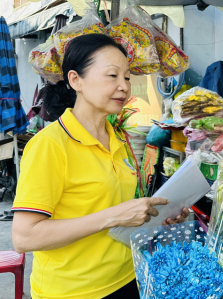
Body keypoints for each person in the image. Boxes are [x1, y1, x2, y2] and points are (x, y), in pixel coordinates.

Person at [11, 34, 189, 299]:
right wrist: (114, 216)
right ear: (75, 80)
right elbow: (24, 237)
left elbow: (119, 210)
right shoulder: (49, 145)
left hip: (129, 277)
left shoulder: (119, 137)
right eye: (112, 76)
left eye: (127, 77)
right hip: (73, 291)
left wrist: (157, 216)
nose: (124, 87)